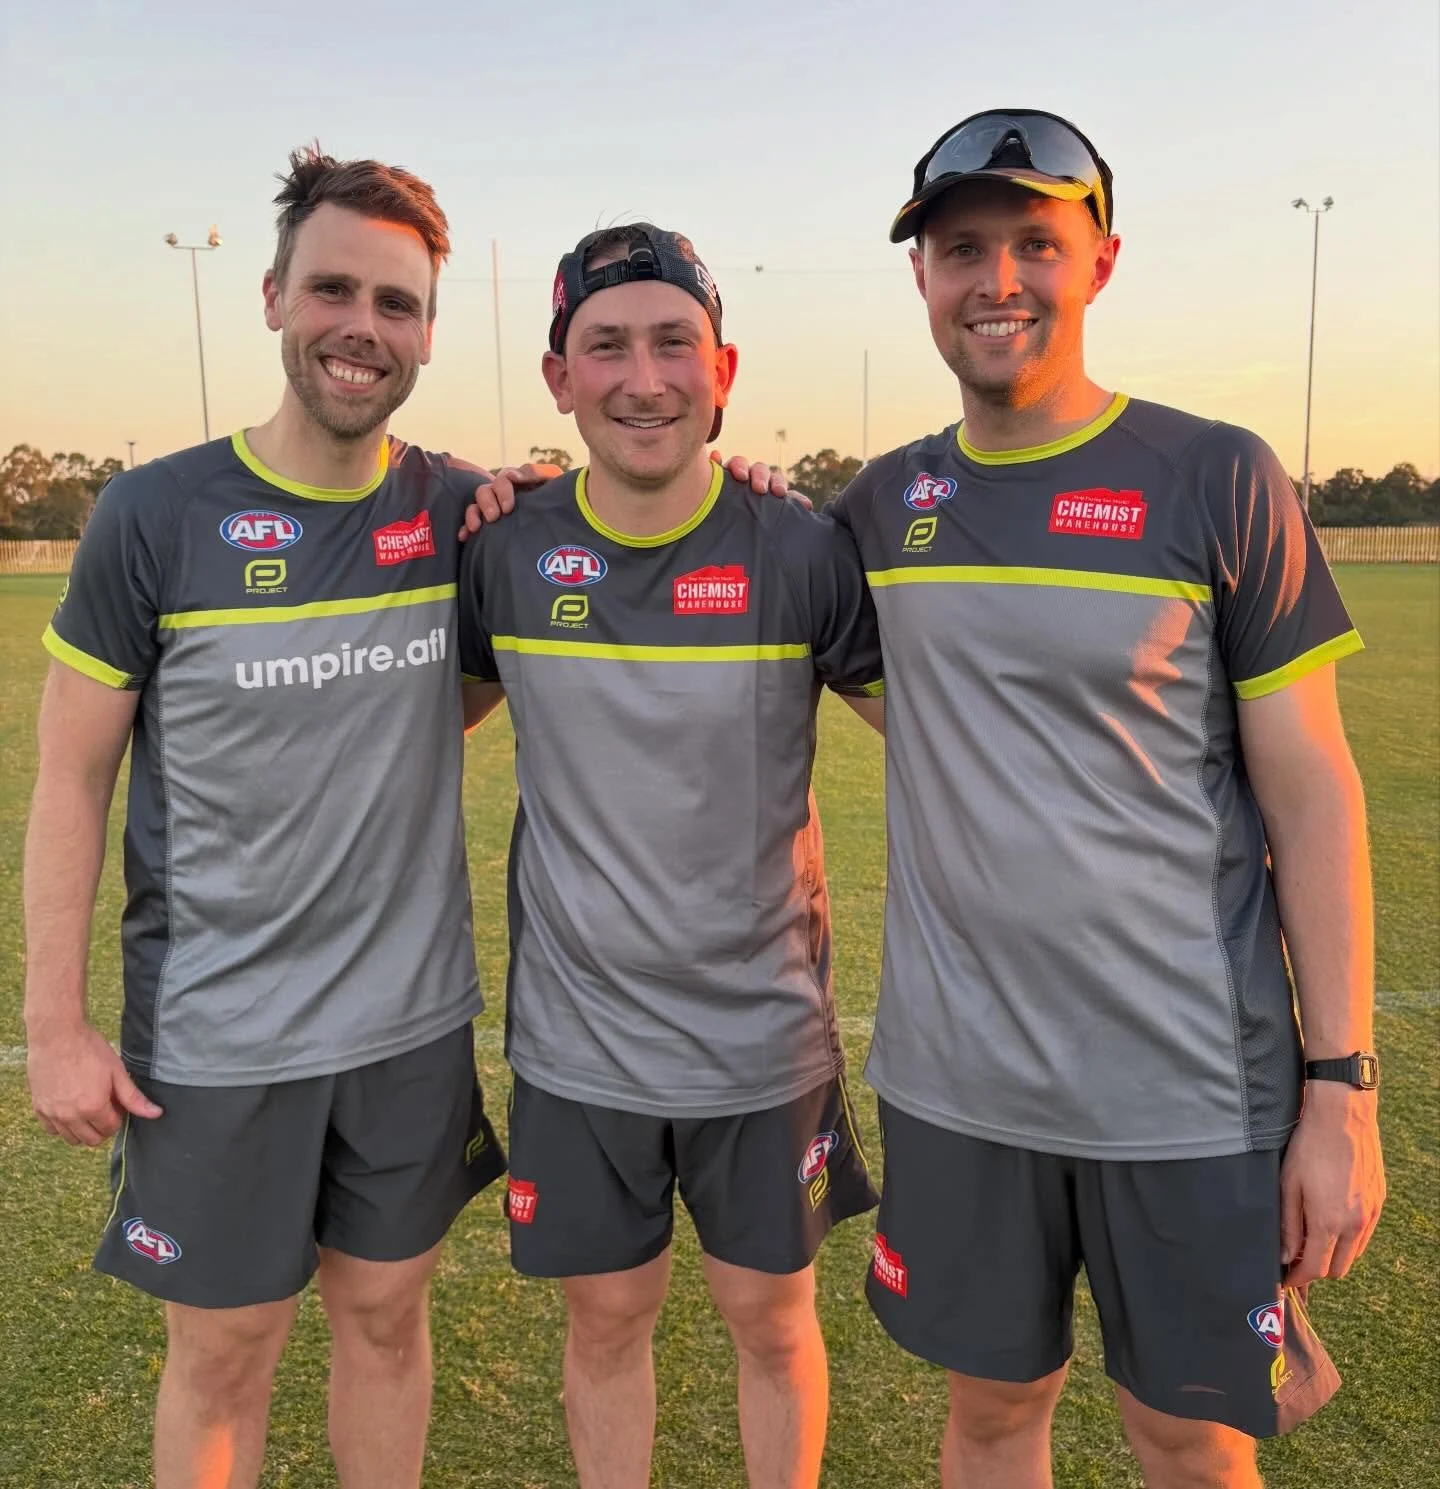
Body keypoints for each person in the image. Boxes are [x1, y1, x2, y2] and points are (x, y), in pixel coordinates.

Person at [829, 109, 1386, 1489]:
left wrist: (1343, 1089)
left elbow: (1313, 793)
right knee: (991, 1417)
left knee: (1188, 1440)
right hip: (960, 1085)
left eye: (1036, 243)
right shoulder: (879, 508)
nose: (998, 280)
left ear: (1102, 262)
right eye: (964, 249)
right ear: (921, 276)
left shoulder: (1215, 474)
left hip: (1189, 1088)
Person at [457, 223, 885, 1488]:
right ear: (558, 378)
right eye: (606, 347)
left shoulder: (799, 548)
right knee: (607, 1321)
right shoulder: (504, 548)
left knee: (772, 1322)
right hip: (579, 1044)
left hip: (761, 1040)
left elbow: (948, 736)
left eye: (672, 345)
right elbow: (410, 727)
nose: (643, 379)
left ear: (723, 370)